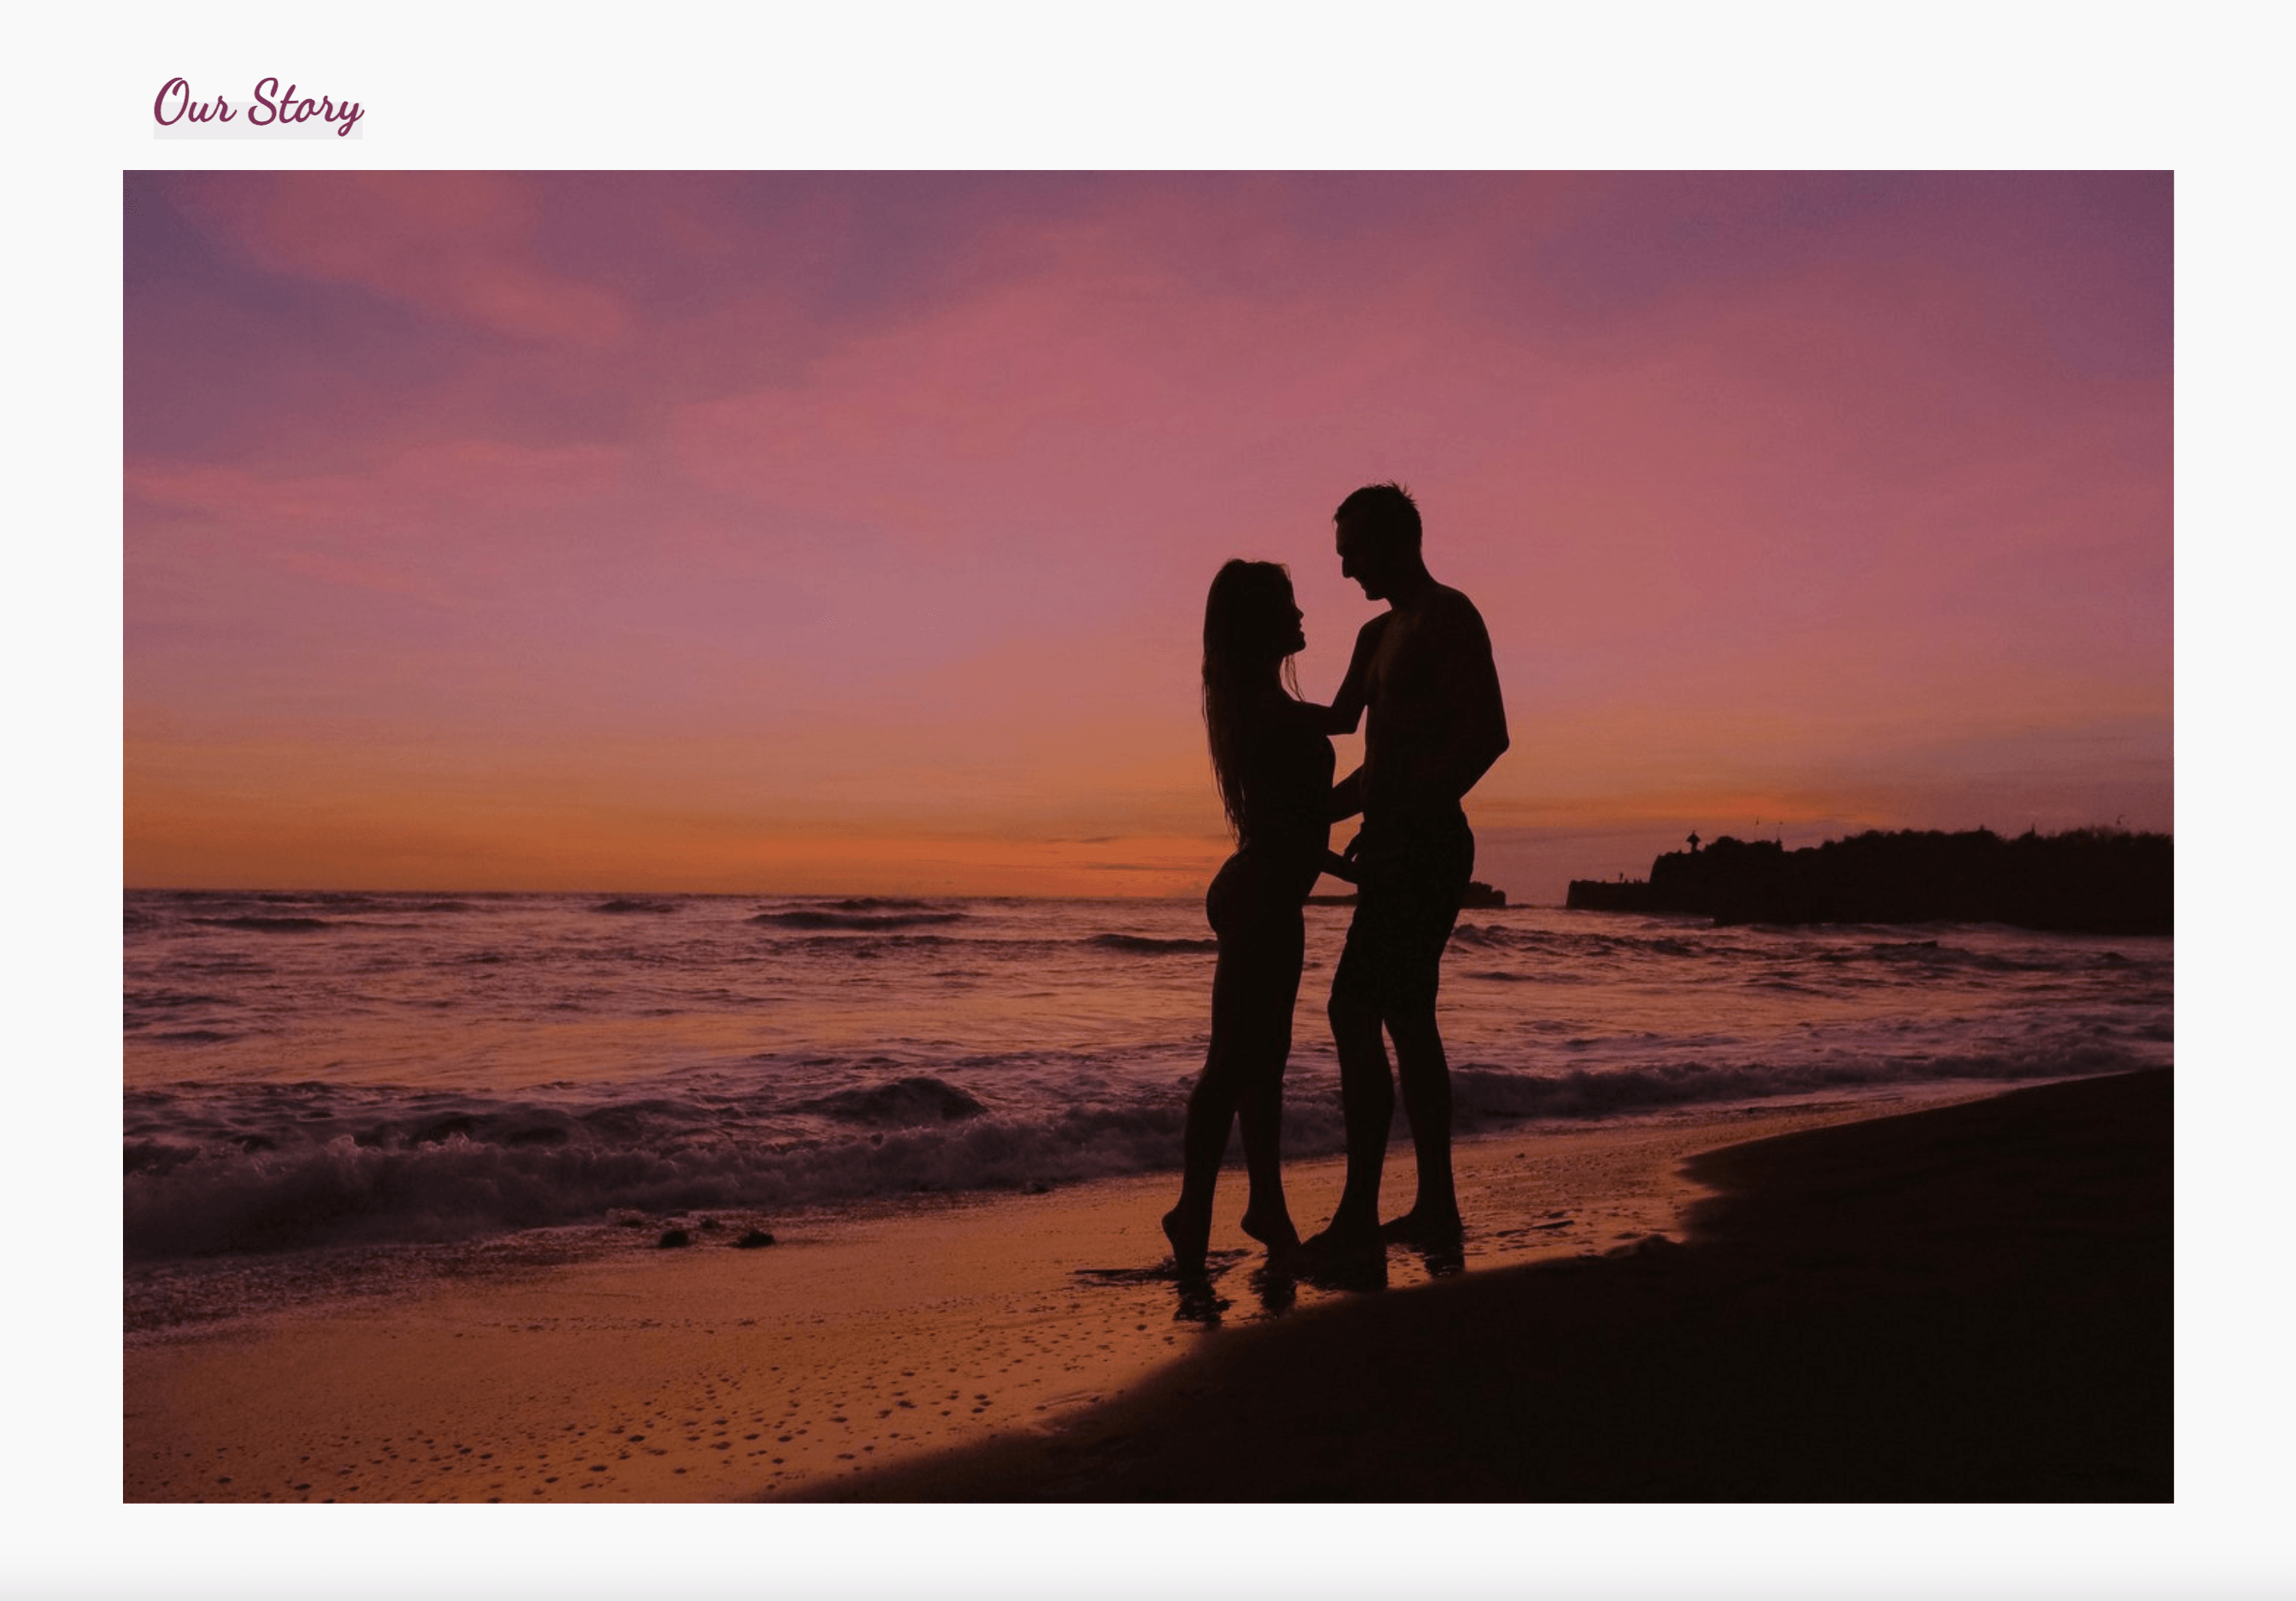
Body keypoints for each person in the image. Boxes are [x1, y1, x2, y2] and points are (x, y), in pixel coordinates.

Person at [1312, 482, 1509, 1252]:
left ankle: (1365, 1214)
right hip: (1392, 837)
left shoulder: (1450, 617)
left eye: (1354, 551)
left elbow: (1487, 736)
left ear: (1397, 543)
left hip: (1428, 845)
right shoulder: (1373, 636)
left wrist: (1405, 811)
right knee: (1402, 1016)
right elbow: (1348, 737)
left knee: (1357, 1009)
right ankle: (1434, 1208)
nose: (1346, 570)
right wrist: (1305, 812)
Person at [1163, 560, 1357, 1277]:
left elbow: (1307, 812)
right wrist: (1348, 868)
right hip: (1261, 894)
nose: (1303, 615)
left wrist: (1342, 863)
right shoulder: (1261, 709)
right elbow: (1296, 824)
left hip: (1272, 890)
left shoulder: (1267, 704)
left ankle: (1264, 1205)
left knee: (1263, 1061)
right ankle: (1194, 1212)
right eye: (1289, 606)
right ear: (1257, 624)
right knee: (1234, 1064)